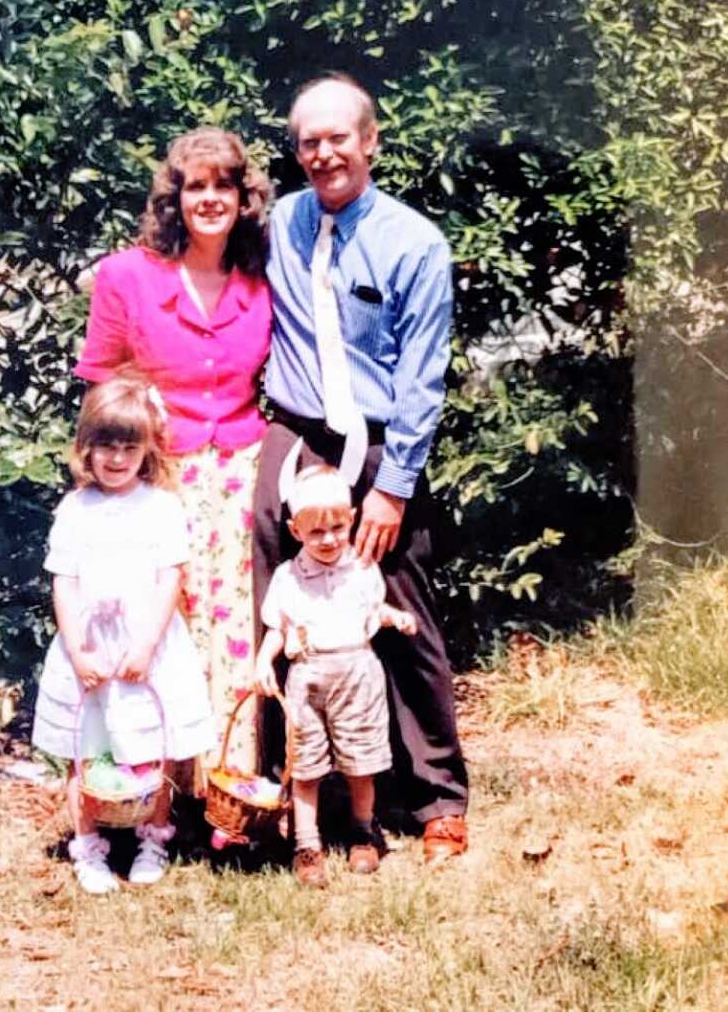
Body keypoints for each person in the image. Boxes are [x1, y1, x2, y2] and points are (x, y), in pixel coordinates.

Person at [254, 72, 470, 862]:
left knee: (398, 609)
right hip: (297, 437)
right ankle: (287, 790)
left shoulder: (415, 243)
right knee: (279, 613)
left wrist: (393, 486)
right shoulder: (279, 222)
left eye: (338, 137)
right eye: (308, 141)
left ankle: (437, 796)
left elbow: (423, 376)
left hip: (379, 446)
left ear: (370, 141)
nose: (323, 153)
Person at [74, 128, 272, 779]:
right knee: (164, 622)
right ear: (175, 197)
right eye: (197, 186)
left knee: (237, 629)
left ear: (244, 198)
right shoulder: (126, 276)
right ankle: (157, 788)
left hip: (242, 472)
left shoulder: (260, 276)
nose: (210, 199)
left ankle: (230, 787)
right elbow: (101, 379)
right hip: (161, 477)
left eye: (225, 185)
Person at [32, 374, 216, 894]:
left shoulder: (160, 507)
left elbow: (169, 579)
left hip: (146, 647)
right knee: (85, 747)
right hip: (89, 646)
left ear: (146, 449)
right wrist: (76, 650)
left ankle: (153, 837)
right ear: (85, 449)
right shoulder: (74, 509)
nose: (116, 458)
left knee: (152, 746)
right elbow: (63, 583)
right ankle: (88, 845)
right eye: (105, 446)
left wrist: (146, 645)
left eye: (128, 447)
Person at [254, 464, 418, 888]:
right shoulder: (289, 577)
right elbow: (279, 627)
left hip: (357, 673)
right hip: (308, 676)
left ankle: (363, 831)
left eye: (338, 528)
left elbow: (372, 612)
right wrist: (263, 662)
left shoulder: (362, 568)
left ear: (351, 521)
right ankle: (307, 844)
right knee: (305, 764)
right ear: (295, 531)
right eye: (316, 533)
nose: (328, 540)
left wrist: (394, 617)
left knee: (360, 760)